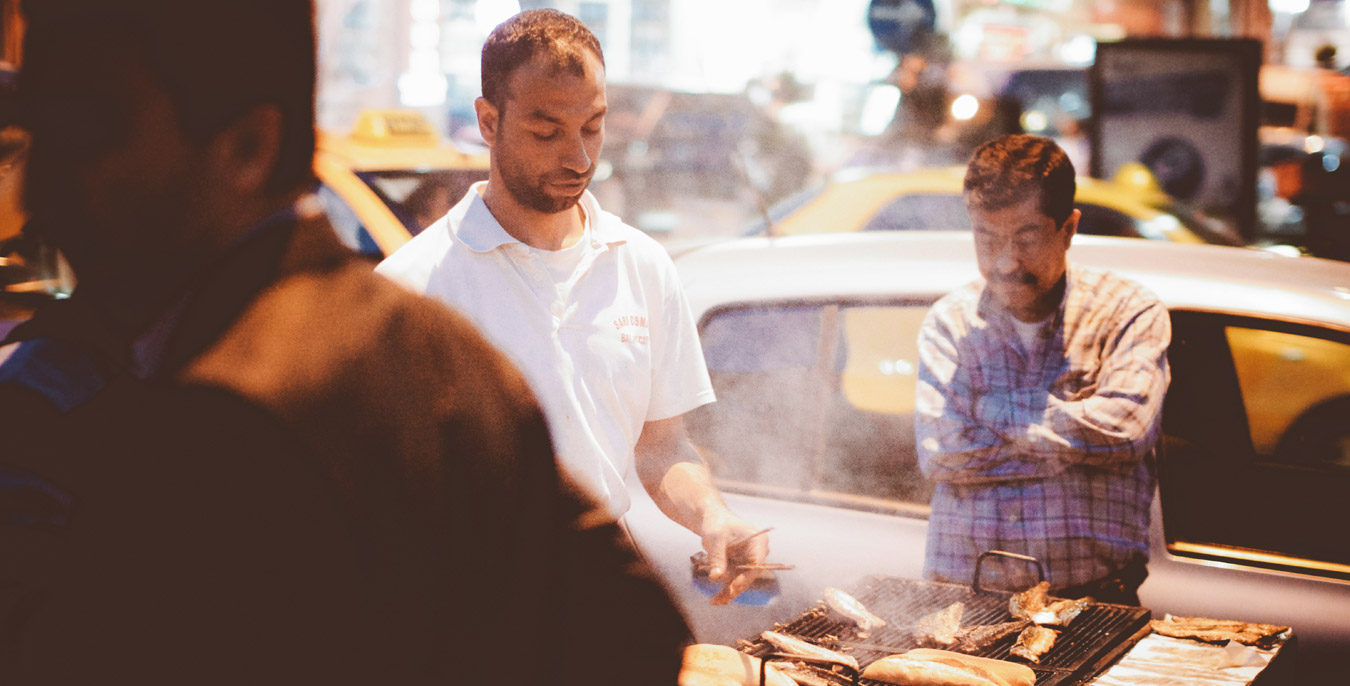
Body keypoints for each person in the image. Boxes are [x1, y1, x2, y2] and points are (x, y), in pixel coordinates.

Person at [1, 1, 690, 683]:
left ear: (248, 148)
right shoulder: (432, 351)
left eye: (87, 134)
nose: (39, 187)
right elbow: (633, 636)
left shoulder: (219, 412)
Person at [376, 9, 769, 603]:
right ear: (488, 121)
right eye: (546, 132)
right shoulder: (408, 289)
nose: (579, 158)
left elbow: (661, 447)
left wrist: (712, 515)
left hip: (593, 601)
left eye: (592, 126)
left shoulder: (643, 265)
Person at [914, 134, 1171, 605]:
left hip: (1092, 598)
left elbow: (1126, 431)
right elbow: (939, 453)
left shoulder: (1128, 311)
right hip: (961, 596)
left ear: (1068, 229)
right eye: (987, 238)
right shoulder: (949, 322)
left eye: (1027, 239)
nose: (1006, 261)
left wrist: (986, 408)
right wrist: (1079, 443)